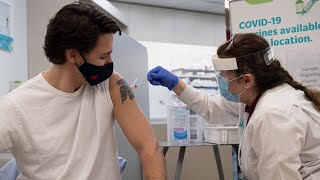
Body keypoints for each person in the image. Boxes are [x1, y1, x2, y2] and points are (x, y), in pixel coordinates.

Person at [0, 2, 166, 180]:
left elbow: (149, 147)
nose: (110, 62)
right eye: (102, 57)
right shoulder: (15, 107)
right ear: (72, 55)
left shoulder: (111, 85)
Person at [147, 33, 320, 180]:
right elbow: (212, 107)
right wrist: (175, 84)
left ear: (247, 80)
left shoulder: (273, 115)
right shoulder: (255, 98)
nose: (221, 82)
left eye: (224, 77)